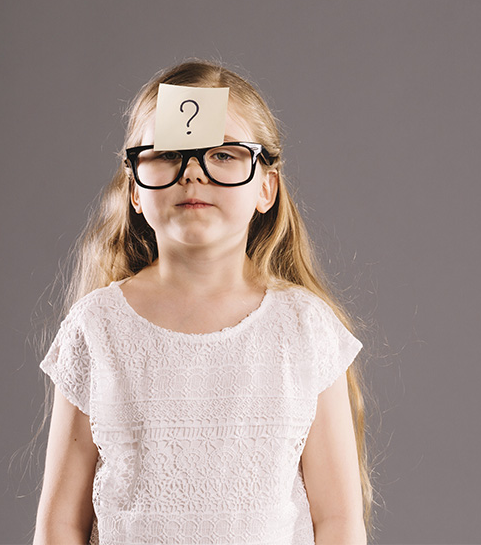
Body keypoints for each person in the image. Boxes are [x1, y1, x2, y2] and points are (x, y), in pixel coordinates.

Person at [32, 59, 374, 544]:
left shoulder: (304, 329)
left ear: (266, 186)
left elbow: (338, 521)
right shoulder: (98, 327)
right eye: (169, 154)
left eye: (223, 155)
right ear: (133, 187)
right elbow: (61, 523)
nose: (192, 174)